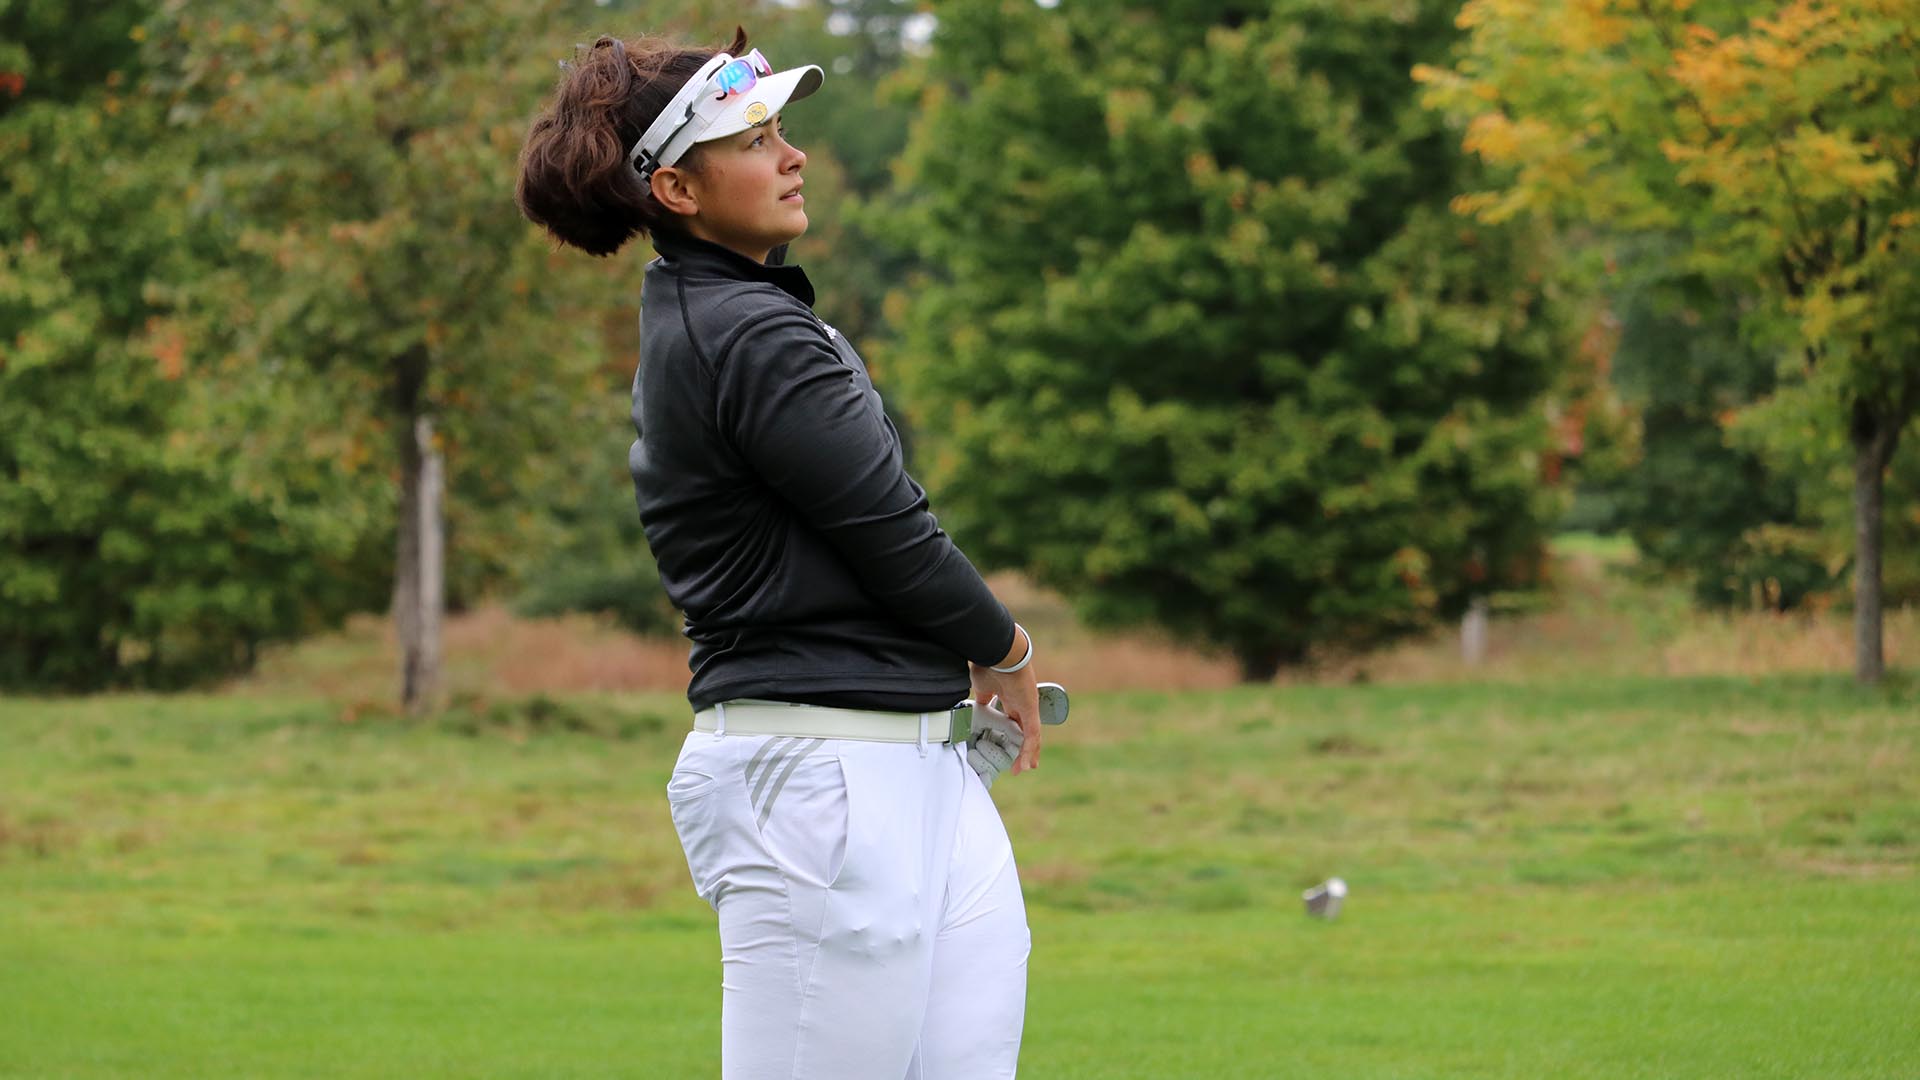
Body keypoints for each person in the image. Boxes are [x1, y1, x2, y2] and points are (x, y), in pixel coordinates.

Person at [516, 29, 1044, 1079]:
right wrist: (1010, 650)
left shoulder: (739, 316)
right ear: (677, 189)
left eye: (781, 132)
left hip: (911, 760)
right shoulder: (747, 333)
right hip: (818, 776)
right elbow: (894, 535)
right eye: (754, 140)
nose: (792, 155)